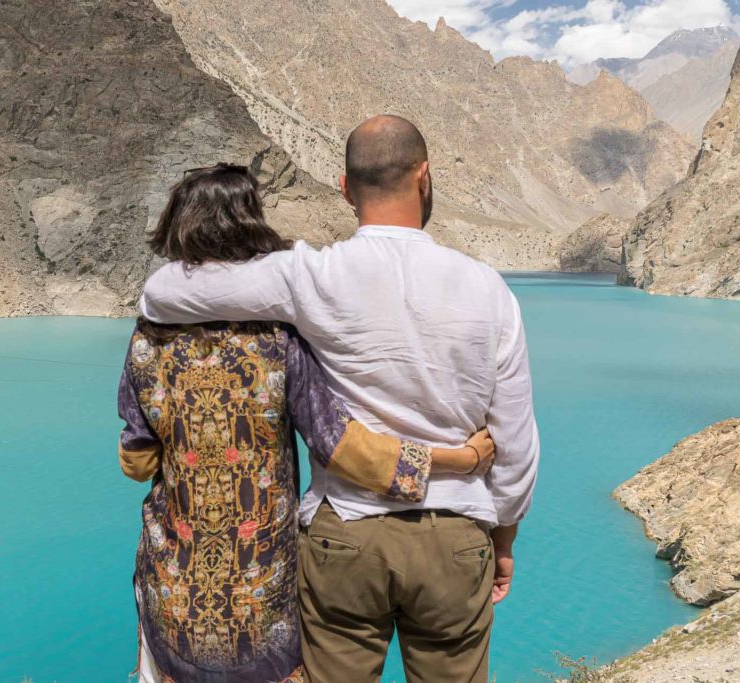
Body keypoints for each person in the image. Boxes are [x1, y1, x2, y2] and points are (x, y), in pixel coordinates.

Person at [139, 117, 541, 683]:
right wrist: (503, 537)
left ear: (345, 188)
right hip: (455, 538)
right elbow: (516, 443)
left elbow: (163, 294)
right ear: (424, 178)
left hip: (343, 537)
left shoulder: (313, 275)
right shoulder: (489, 289)